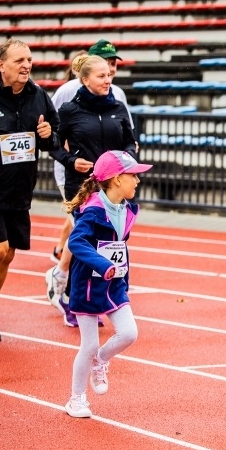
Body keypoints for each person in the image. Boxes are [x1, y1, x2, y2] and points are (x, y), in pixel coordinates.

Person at [0, 38, 59, 344]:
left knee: (8, 255)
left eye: (29, 60)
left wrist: (48, 134)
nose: (27, 66)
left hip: (19, 190)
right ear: (1, 64)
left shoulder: (38, 95)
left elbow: (52, 136)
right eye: (19, 61)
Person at [46, 55, 137, 327]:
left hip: (115, 187)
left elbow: (131, 144)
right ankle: (75, 301)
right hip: (83, 186)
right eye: (101, 76)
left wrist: (126, 161)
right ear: (84, 80)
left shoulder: (118, 108)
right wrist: (70, 160)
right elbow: (52, 144)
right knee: (85, 243)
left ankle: (94, 295)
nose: (108, 79)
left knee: (110, 243)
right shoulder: (69, 110)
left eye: (109, 74)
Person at [63, 150, 150, 418]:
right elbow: (76, 242)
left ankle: (100, 360)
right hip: (88, 284)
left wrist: (120, 272)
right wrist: (102, 264)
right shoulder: (92, 211)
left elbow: (118, 245)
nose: (137, 181)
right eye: (133, 176)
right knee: (87, 345)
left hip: (115, 283)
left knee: (129, 333)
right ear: (115, 180)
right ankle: (76, 399)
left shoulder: (127, 209)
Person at [50, 52, 89, 265]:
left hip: (96, 168)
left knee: (80, 216)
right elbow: (54, 127)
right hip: (70, 168)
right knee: (78, 217)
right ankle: (64, 268)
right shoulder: (66, 91)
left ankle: (60, 251)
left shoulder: (112, 93)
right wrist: (69, 154)